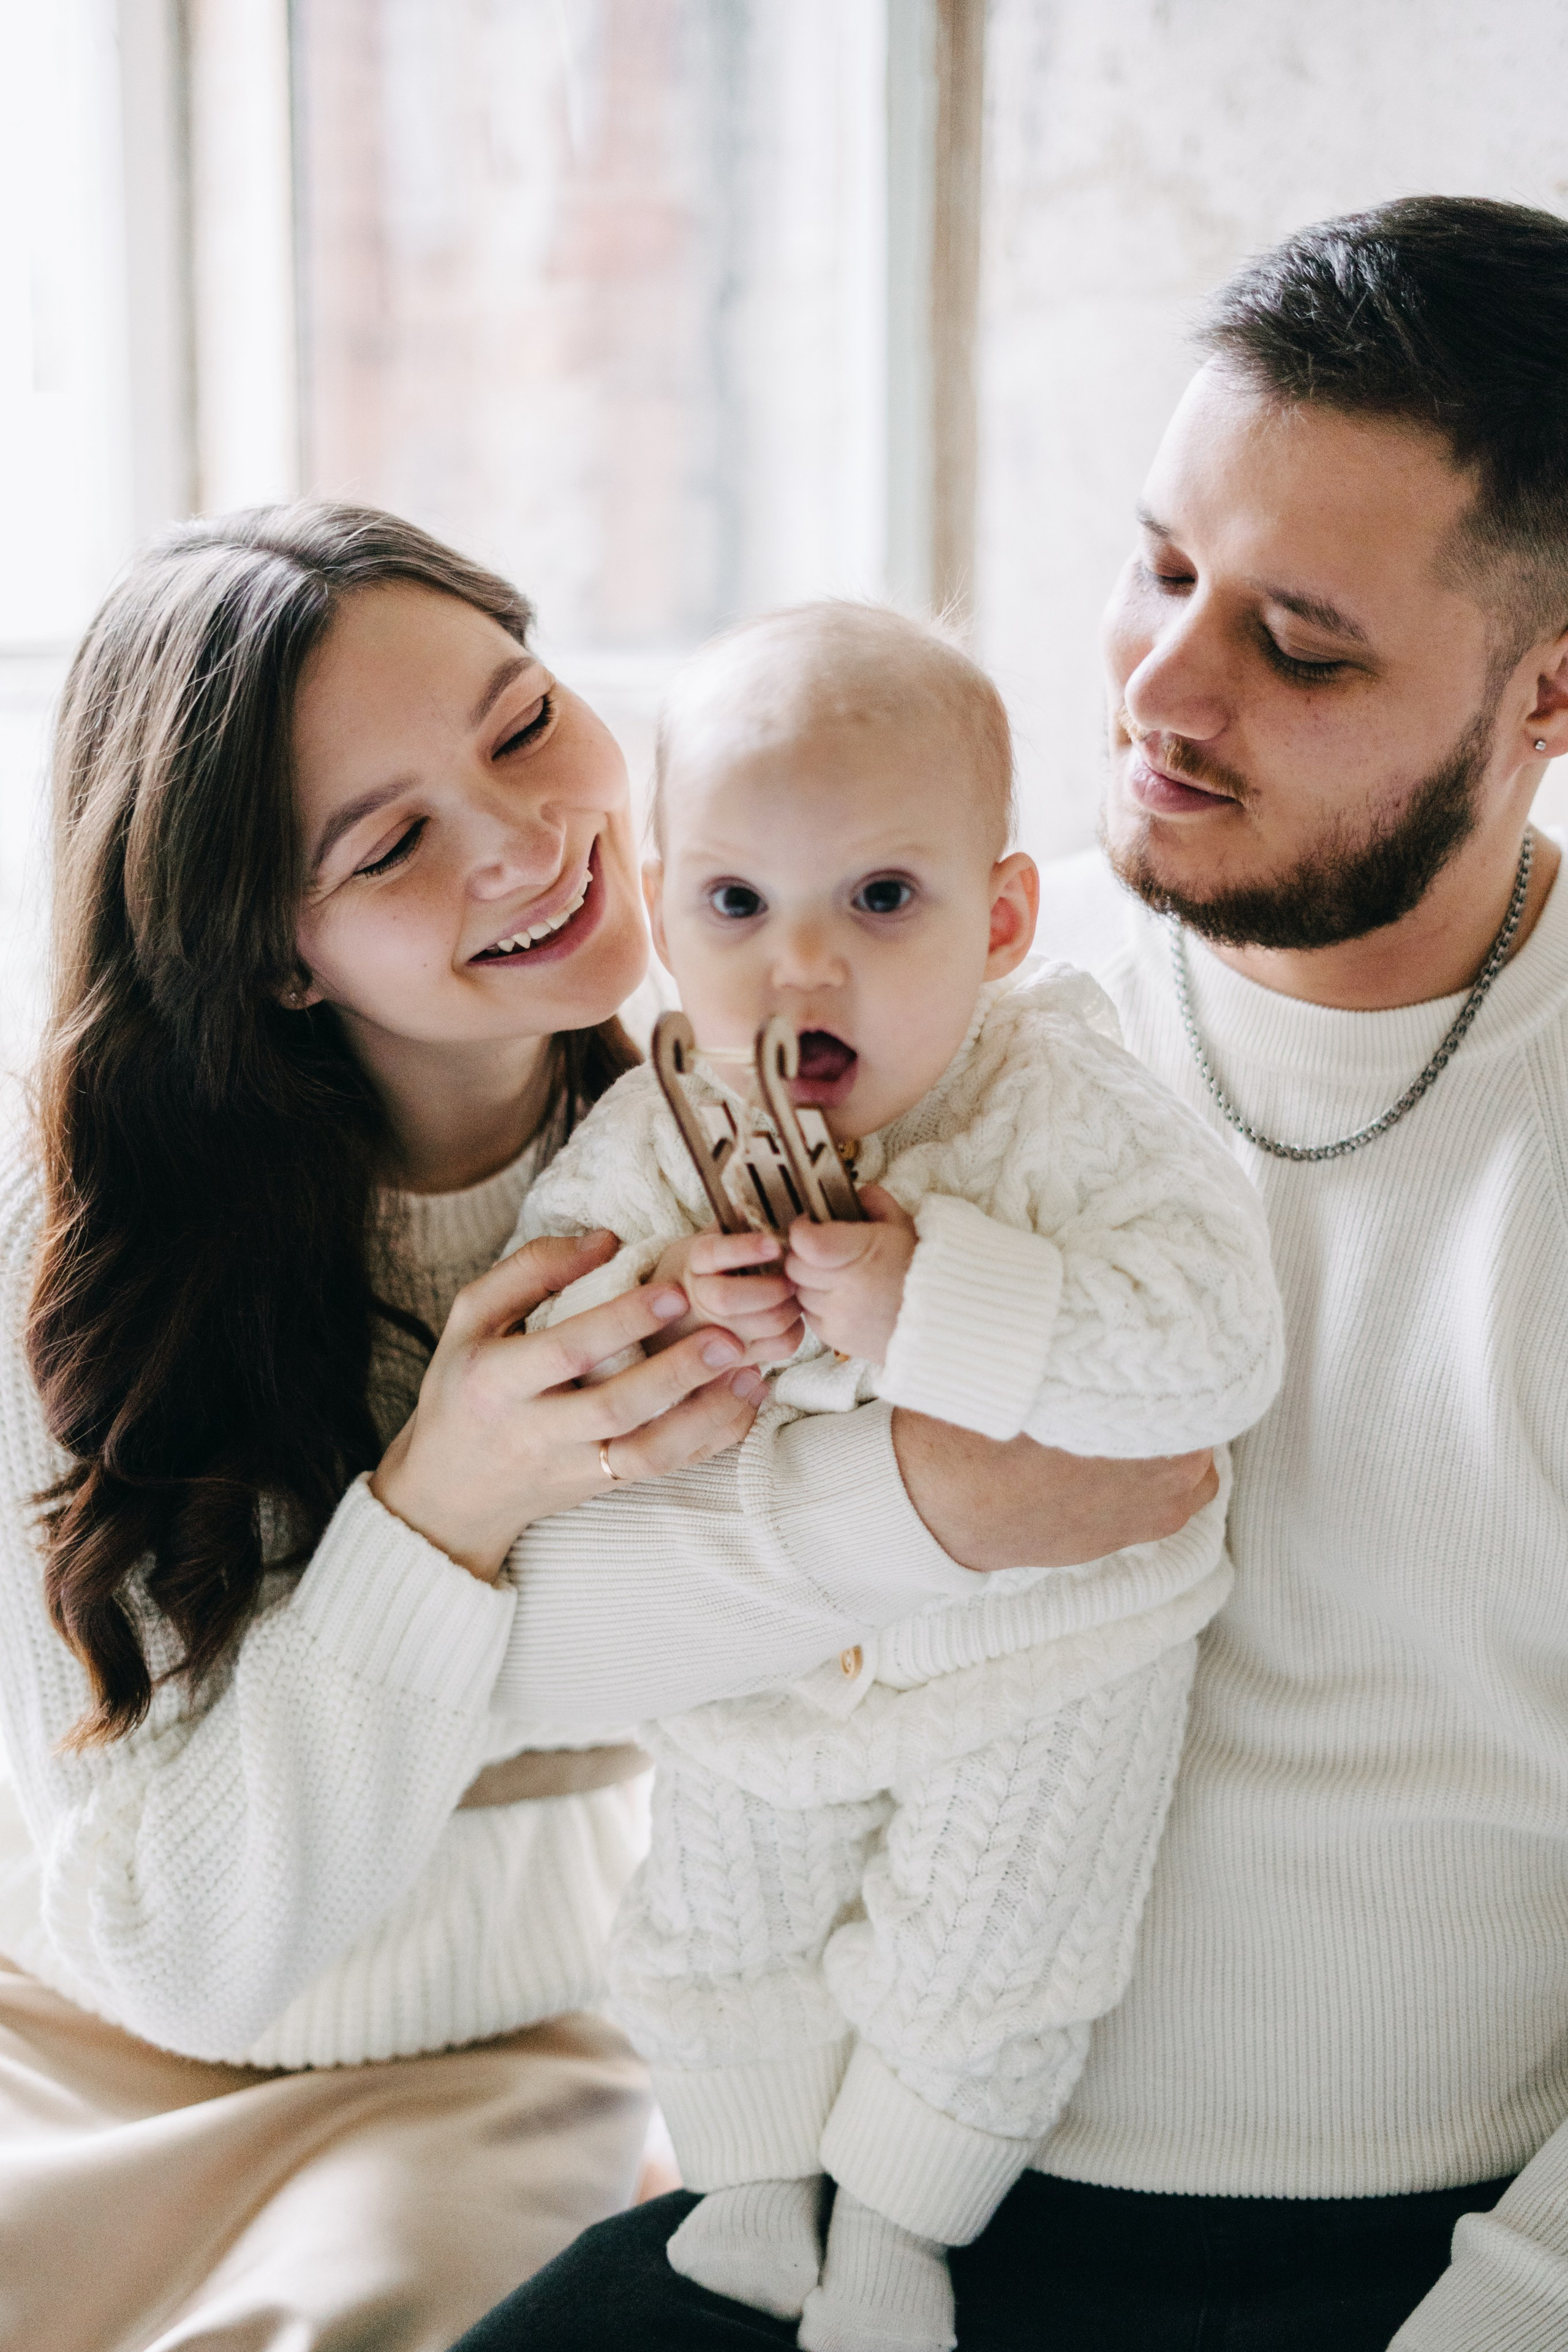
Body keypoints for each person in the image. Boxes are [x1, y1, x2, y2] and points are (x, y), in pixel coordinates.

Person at [457, 195, 1568, 2352]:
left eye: (1302, 645)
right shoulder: (929, 1006)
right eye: (1161, 568)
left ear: (1552, 693)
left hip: (1390, 2265)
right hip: (859, 2188)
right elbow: (527, 1637)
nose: (1162, 688)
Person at [0, 504, 1210, 2350]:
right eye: (396, 843)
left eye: (521, 723)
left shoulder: (756, 1117)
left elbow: (979, 1567)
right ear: (272, 956)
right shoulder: (76, 1249)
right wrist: (449, 1500)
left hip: (531, 2060)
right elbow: (170, 1936)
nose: (528, 845)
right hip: (89, 2047)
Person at [507, 600, 1283, 2351]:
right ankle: (750, 2183)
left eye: (878, 901)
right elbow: (556, 1348)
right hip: (772, 1679)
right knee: (712, 1909)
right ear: (659, 901)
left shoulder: (1065, 1098)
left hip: (1052, 1659)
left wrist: (939, 1295)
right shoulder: (667, 1124)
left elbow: (1214, 1343)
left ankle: (907, 2225)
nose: (802, 972)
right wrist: (666, 1316)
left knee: (1002, 1956)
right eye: (734, 906)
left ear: (1000, 917)